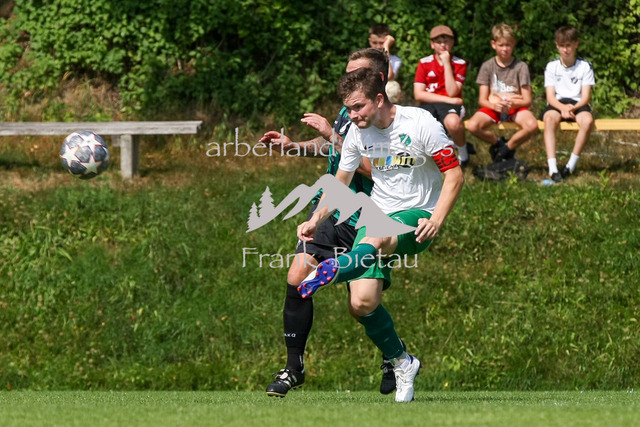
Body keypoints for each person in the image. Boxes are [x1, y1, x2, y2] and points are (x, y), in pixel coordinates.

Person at [296, 67, 464, 402]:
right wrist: (316, 219)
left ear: (379, 99)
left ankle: (334, 270)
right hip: (378, 213)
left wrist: (438, 219)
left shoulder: (420, 122)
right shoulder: (357, 134)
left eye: (358, 107)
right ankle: (403, 361)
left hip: (418, 215)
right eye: (348, 108)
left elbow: (454, 174)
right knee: (361, 303)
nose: (352, 115)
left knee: (376, 238)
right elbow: (340, 184)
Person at [259, 48, 403, 397]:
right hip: (333, 210)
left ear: (378, 80)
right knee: (297, 276)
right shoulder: (348, 110)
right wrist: (293, 146)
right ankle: (293, 368)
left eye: (356, 74)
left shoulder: (392, 121)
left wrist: (330, 135)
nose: (348, 81)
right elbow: (335, 150)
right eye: (347, 74)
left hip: (371, 216)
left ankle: (395, 356)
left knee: (362, 303)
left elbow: (378, 170)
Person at [465, 23, 538, 163]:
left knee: (532, 125)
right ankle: (498, 143)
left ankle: (508, 147)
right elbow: (482, 100)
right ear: (494, 44)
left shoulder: (521, 67)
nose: (505, 49)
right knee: (472, 126)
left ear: (513, 44)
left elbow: (527, 100)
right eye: (501, 45)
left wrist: (513, 104)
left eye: (508, 45)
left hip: (515, 106)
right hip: (494, 106)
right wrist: (495, 106)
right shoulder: (487, 66)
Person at [414, 24, 475, 168]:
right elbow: (418, 94)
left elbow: (453, 91)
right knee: (422, 125)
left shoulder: (459, 63)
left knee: (453, 123)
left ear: (452, 42)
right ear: (432, 44)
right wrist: (449, 99)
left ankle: (464, 156)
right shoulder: (424, 63)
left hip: (450, 106)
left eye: (446, 41)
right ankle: (434, 157)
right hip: (431, 103)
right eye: (438, 42)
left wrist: (447, 63)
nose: (442, 45)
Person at [541, 25, 595, 183]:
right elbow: (550, 97)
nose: (565, 50)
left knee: (588, 121)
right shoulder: (552, 66)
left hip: (577, 104)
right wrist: (562, 108)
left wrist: (573, 108)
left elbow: (586, 97)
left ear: (576, 44)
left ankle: (570, 166)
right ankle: (552, 168)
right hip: (558, 103)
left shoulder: (585, 66)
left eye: (569, 45)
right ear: (557, 46)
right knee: (549, 119)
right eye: (562, 46)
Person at [368, 23, 403, 103]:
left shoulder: (395, 60)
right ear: (370, 41)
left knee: (391, 86)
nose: (378, 47)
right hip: (368, 91)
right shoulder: (364, 58)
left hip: (384, 95)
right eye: (374, 43)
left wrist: (386, 47)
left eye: (381, 43)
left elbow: (389, 76)